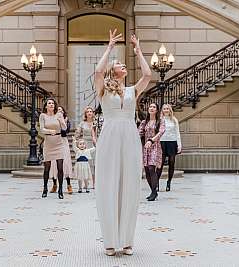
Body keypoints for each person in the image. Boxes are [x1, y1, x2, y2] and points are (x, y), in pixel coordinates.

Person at [95, 29, 151, 256]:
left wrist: (139, 52)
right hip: (109, 137)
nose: (123, 66)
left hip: (129, 136)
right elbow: (98, 70)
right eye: (119, 64)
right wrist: (109, 48)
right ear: (113, 71)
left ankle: (127, 241)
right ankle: (110, 241)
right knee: (108, 185)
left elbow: (147, 76)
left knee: (129, 185)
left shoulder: (131, 90)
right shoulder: (102, 89)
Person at [39, 98, 67, 199]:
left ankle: (60, 190)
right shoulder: (43, 116)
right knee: (47, 167)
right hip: (48, 143)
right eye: (49, 103)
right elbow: (42, 129)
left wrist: (61, 120)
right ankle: (45, 188)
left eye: (52, 103)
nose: (51, 105)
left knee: (60, 167)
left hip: (59, 142)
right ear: (46, 106)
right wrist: (50, 131)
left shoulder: (59, 115)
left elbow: (64, 128)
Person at [138, 103, 165, 201]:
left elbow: (161, 132)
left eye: (154, 107)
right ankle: (153, 191)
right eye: (150, 107)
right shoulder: (144, 122)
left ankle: (154, 192)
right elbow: (139, 133)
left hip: (155, 147)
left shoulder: (160, 121)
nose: (152, 108)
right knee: (147, 170)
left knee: (151, 168)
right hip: (145, 147)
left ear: (157, 110)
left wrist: (151, 140)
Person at [157, 104, 182, 192]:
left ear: (170, 110)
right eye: (164, 109)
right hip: (162, 142)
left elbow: (177, 133)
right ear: (162, 110)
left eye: (167, 109)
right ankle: (157, 183)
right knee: (160, 163)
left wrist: (179, 145)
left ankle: (169, 182)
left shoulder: (174, 120)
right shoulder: (160, 120)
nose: (166, 110)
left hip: (172, 142)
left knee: (172, 162)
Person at [49, 106, 73, 194]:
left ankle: (69, 185)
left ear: (63, 112)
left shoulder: (66, 121)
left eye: (61, 110)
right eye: (58, 110)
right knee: (54, 163)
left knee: (65, 162)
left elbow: (65, 132)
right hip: (54, 142)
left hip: (63, 142)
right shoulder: (52, 121)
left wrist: (62, 121)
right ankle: (55, 185)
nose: (59, 112)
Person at [75, 107, 97, 189]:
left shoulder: (95, 123)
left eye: (91, 111)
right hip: (84, 144)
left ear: (93, 113)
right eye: (87, 112)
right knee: (86, 164)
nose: (89, 113)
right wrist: (76, 141)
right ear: (85, 114)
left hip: (93, 144)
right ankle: (86, 182)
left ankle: (94, 183)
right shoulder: (82, 123)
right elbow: (77, 133)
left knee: (94, 164)